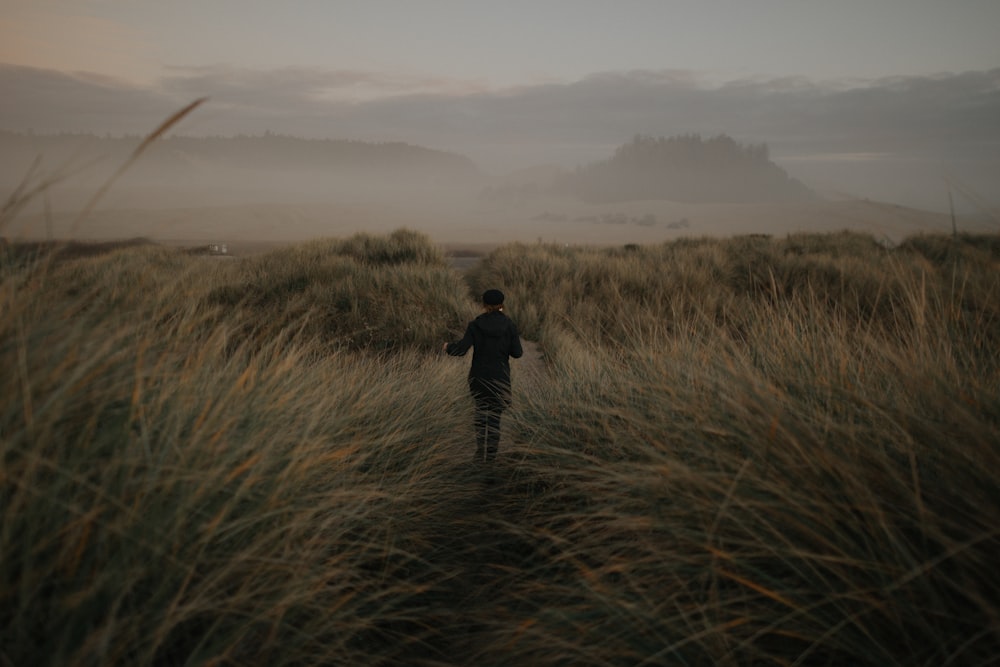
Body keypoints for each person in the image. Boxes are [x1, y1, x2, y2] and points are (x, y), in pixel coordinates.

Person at [443, 289, 523, 463]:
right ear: (502, 304)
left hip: (479, 377)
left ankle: (480, 454)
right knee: (495, 419)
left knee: (480, 414)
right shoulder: (509, 325)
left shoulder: (475, 325)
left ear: (484, 305)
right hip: (500, 377)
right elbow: (517, 353)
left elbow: (461, 349)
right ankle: (491, 459)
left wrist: (448, 347)